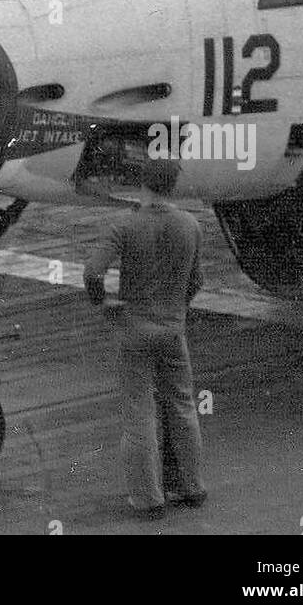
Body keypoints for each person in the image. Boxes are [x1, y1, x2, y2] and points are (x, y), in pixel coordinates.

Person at [85, 157, 206, 519]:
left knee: (139, 412)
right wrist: (177, 309)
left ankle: (148, 498)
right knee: (183, 406)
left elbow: (93, 271)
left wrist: (104, 302)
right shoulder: (191, 225)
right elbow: (197, 280)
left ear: (143, 184)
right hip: (172, 329)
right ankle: (192, 487)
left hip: (135, 329)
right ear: (173, 186)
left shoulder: (124, 225)